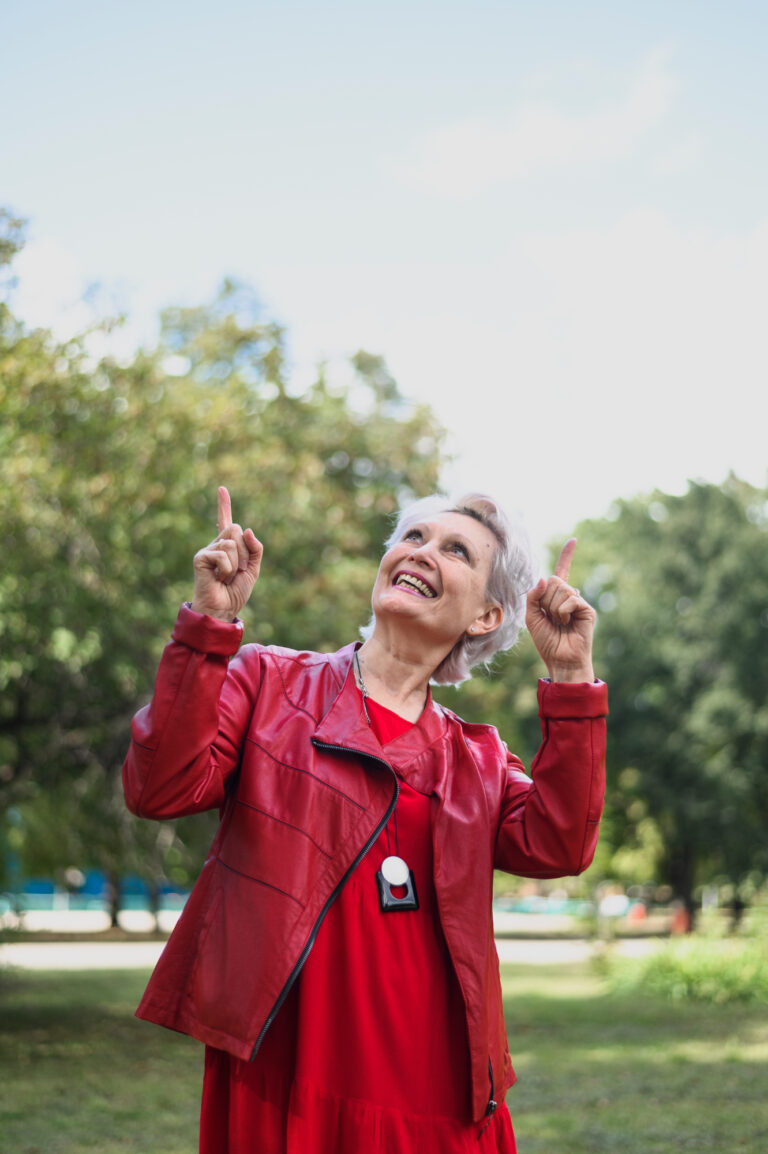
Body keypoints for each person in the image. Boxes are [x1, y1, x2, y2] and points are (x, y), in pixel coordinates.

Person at [123, 485, 607, 1154]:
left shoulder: (482, 759)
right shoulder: (267, 682)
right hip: (291, 1081)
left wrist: (572, 678)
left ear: (487, 614)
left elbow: (560, 845)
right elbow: (160, 788)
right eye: (412, 538)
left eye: (455, 549)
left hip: (440, 1098)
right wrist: (208, 630)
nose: (422, 552)